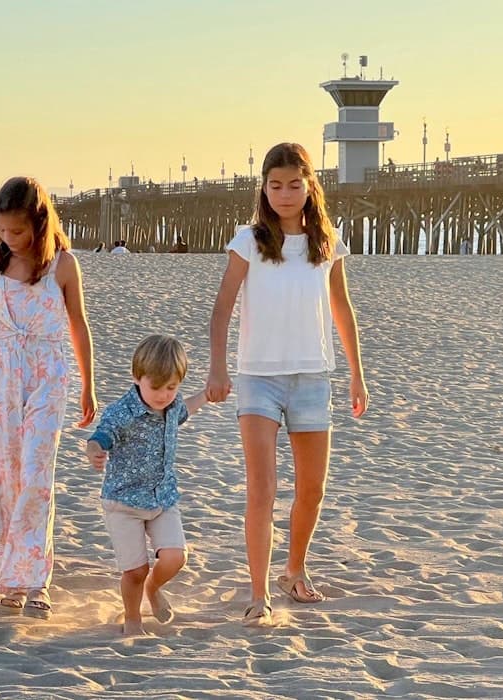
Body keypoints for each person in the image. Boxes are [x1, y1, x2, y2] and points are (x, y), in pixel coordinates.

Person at [206, 142, 369, 626]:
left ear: (309, 185)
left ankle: (293, 569)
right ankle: (260, 593)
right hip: (258, 378)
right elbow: (221, 309)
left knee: (312, 489)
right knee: (262, 489)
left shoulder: (326, 242)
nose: (284, 194)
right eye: (275, 185)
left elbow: (342, 309)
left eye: (294, 184)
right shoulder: (248, 240)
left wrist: (357, 373)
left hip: (313, 377)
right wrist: (218, 368)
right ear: (264, 187)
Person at [0, 176, 97, 619]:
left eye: (18, 231)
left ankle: (36, 580)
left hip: (49, 376)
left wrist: (89, 384)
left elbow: (79, 326)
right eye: (2, 231)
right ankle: (13, 577)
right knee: (8, 476)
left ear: (38, 223)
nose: (9, 239)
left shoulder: (64, 265)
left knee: (36, 475)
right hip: (3, 378)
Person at [85, 334, 208, 636]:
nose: (165, 395)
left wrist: (206, 395)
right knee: (135, 570)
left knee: (175, 557)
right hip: (123, 502)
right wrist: (94, 451)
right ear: (137, 377)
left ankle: (154, 589)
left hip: (163, 498)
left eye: (172, 387)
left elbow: (183, 411)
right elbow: (101, 434)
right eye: (156, 387)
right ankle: (132, 619)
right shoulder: (122, 412)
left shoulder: (172, 404)